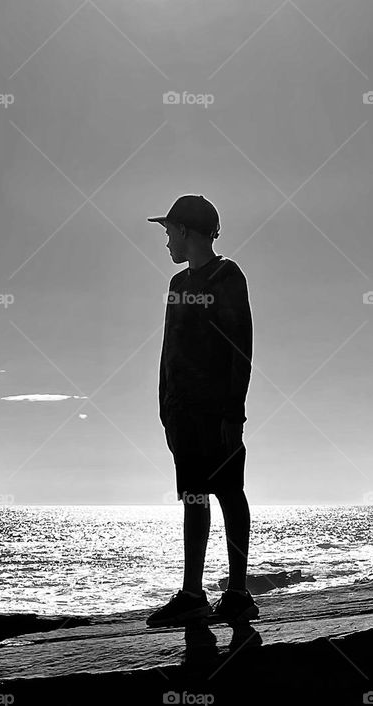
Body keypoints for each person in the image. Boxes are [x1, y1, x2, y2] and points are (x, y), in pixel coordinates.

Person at [145, 194, 259, 628]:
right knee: (193, 496)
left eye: (170, 231)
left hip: (219, 412)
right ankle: (193, 592)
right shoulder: (177, 286)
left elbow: (240, 345)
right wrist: (165, 405)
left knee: (229, 491)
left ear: (190, 233)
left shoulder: (227, 277)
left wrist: (235, 412)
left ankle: (238, 592)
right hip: (182, 413)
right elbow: (168, 349)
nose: (167, 241)